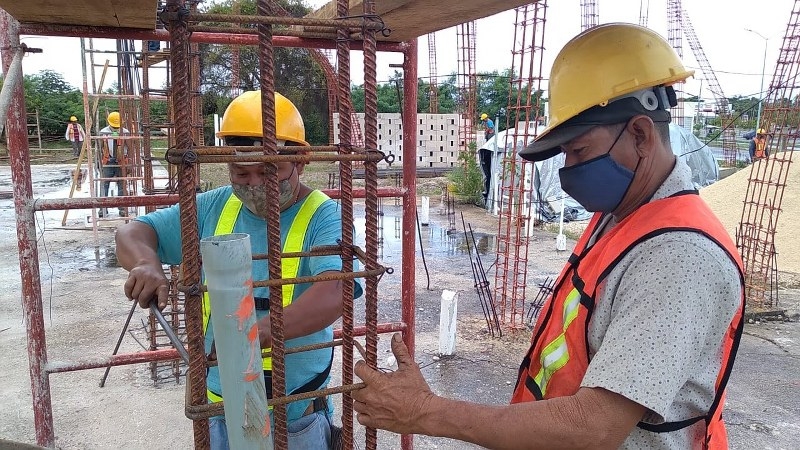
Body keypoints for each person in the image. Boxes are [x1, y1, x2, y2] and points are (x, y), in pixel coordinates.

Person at [351, 23, 744, 449]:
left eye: (580, 152)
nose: (568, 171)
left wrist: (424, 411)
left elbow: (593, 426)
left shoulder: (680, 257)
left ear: (640, 134)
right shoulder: (625, 213)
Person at [115, 90, 359, 450]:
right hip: (221, 399)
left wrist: (258, 333)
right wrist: (145, 263)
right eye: (241, 173)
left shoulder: (324, 215)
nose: (255, 184)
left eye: (269, 171)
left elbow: (336, 291)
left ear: (301, 162)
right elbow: (133, 231)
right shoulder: (214, 206)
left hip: (293, 408)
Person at [98, 111, 129, 217]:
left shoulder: (125, 132)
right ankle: (103, 208)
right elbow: (99, 149)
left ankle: (122, 208)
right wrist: (98, 164)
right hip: (108, 161)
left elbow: (129, 148)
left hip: (121, 162)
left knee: (122, 184)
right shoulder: (103, 132)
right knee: (104, 184)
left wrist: (128, 163)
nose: (116, 128)